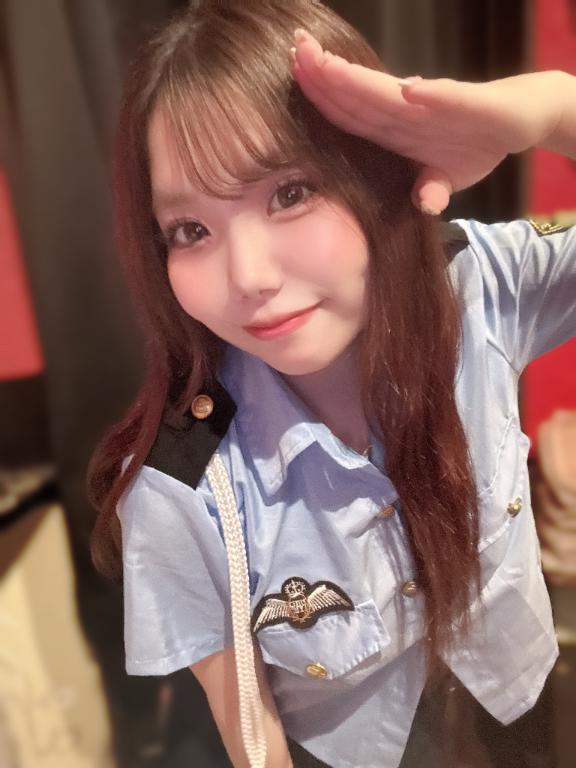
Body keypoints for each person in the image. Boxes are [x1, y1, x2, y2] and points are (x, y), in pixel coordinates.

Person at [88, 1, 576, 766]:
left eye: (289, 193)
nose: (248, 278)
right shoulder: (183, 483)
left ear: (371, 168)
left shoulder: (475, 288)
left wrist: (555, 107)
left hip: (524, 702)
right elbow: (247, 722)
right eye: (192, 230)